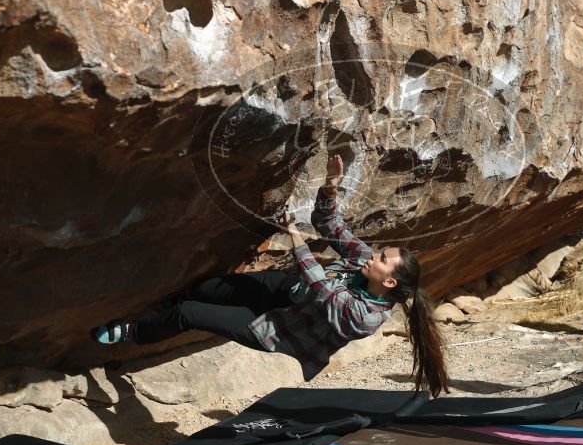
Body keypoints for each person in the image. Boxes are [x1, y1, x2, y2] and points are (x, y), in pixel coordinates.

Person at [91, 155, 450, 397]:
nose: (374, 254)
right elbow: (330, 225)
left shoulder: (365, 317)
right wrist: (330, 187)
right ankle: (171, 307)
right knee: (208, 287)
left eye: (382, 259)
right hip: (286, 291)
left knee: (191, 315)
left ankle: (133, 331)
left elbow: (323, 289)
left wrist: (294, 237)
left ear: (389, 282)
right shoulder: (361, 260)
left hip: (275, 330)